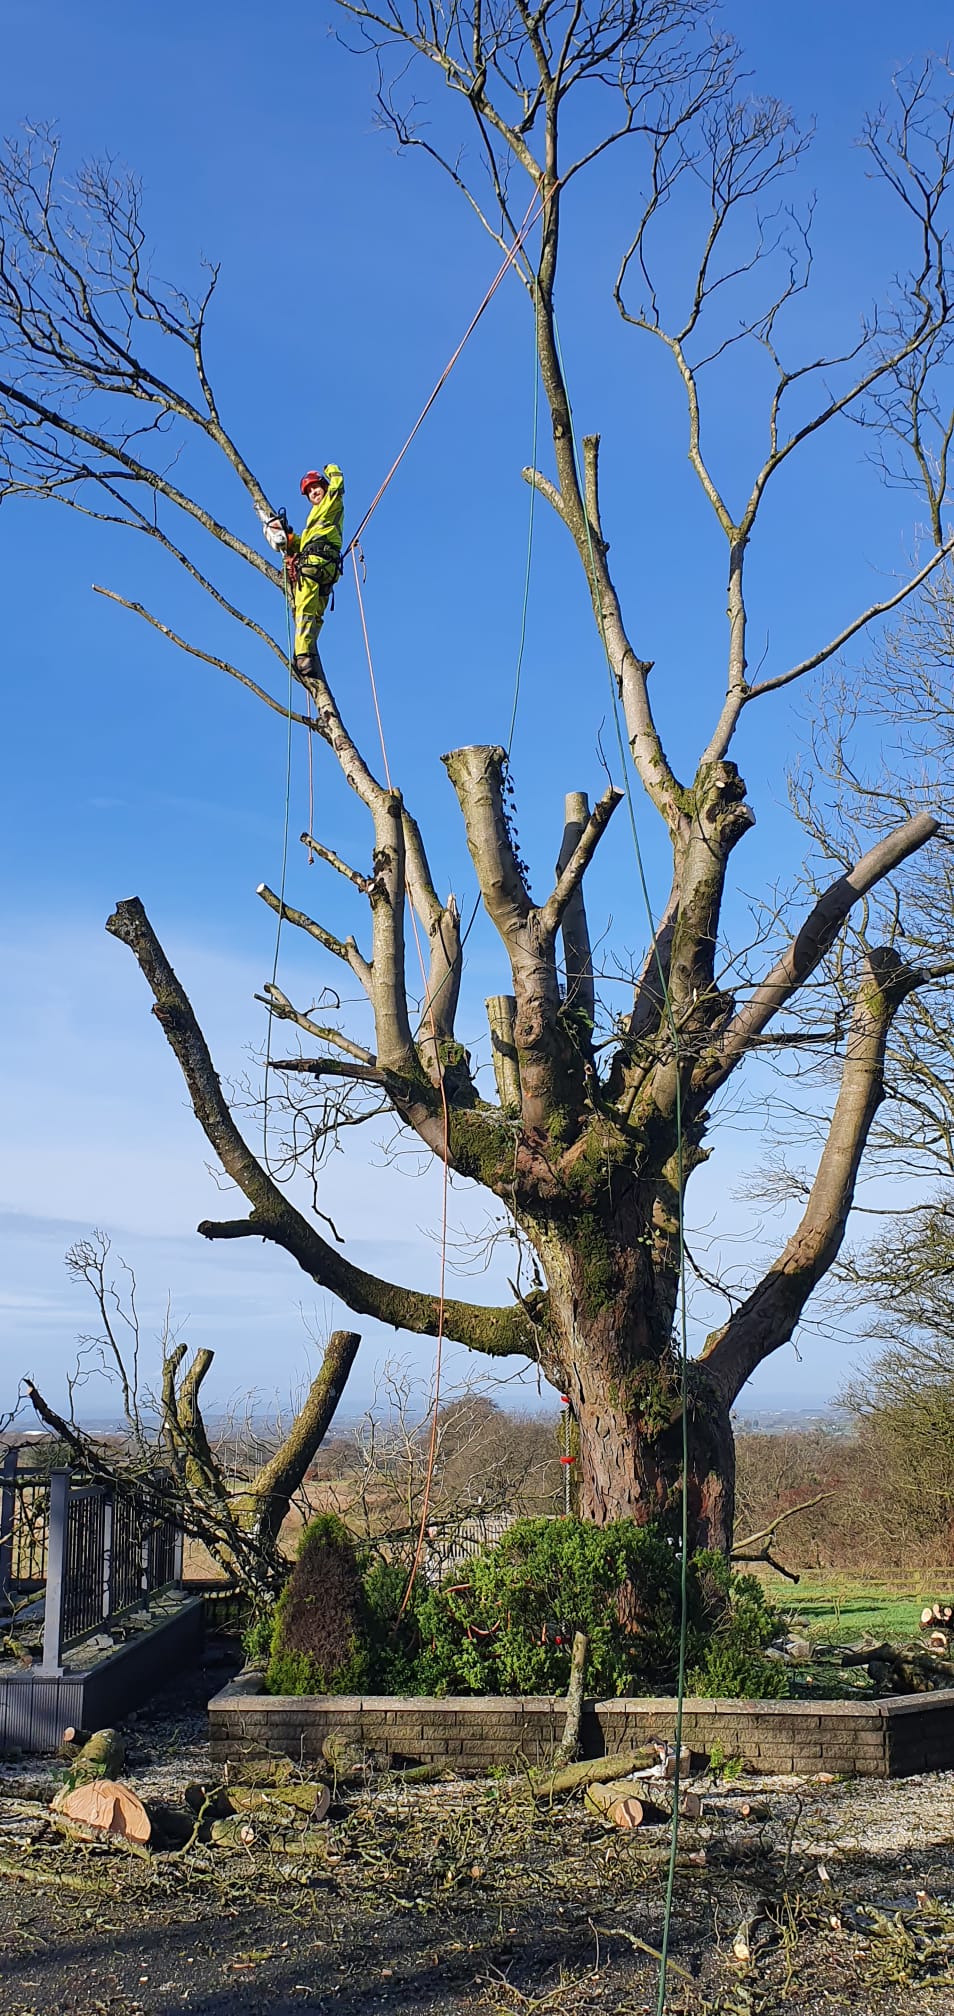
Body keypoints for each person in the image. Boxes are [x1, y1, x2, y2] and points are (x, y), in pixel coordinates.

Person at [262, 465, 345, 675]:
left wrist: (331, 468)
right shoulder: (313, 519)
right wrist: (288, 538)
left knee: (305, 611)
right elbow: (305, 544)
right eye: (309, 492)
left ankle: (302, 656)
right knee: (315, 616)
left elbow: (338, 484)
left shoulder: (332, 502)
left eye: (316, 488)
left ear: (324, 487)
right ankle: (309, 654)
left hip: (316, 566)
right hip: (324, 567)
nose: (313, 493)